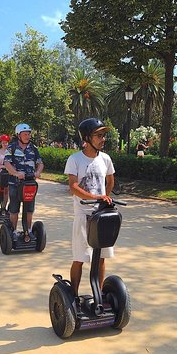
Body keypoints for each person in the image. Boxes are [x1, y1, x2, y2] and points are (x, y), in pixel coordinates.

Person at [64, 118, 115, 297]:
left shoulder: (106, 159)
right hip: (82, 214)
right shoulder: (75, 159)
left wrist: (104, 198)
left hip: (101, 216)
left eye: (103, 135)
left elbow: (110, 180)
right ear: (87, 137)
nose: (103, 139)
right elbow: (73, 186)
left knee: (100, 258)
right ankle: (73, 297)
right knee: (80, 258)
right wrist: (95, 197)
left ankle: (98, 296)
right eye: (98, 135)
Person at [3, 123, 44, 241]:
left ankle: (29, 231)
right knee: (14, 208)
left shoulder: (34, 148)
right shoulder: (12, 147)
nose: (28, 136)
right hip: (15, 183)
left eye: (29, 133)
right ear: (18, 135)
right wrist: (16, 173)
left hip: (30, 183)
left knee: (29, 209)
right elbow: (7, 163)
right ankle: (14, 231)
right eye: (25, 134)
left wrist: (38, 172)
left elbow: (40, 163)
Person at [0, 134, 11, 213]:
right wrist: (4, 167)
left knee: (7, 191)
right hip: (0, 173)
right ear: (1, 143)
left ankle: (3, 208)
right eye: (3, 142)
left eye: (6, 142)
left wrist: (6, 167)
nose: (5, 144)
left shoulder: (10, 152)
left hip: (8, 173)